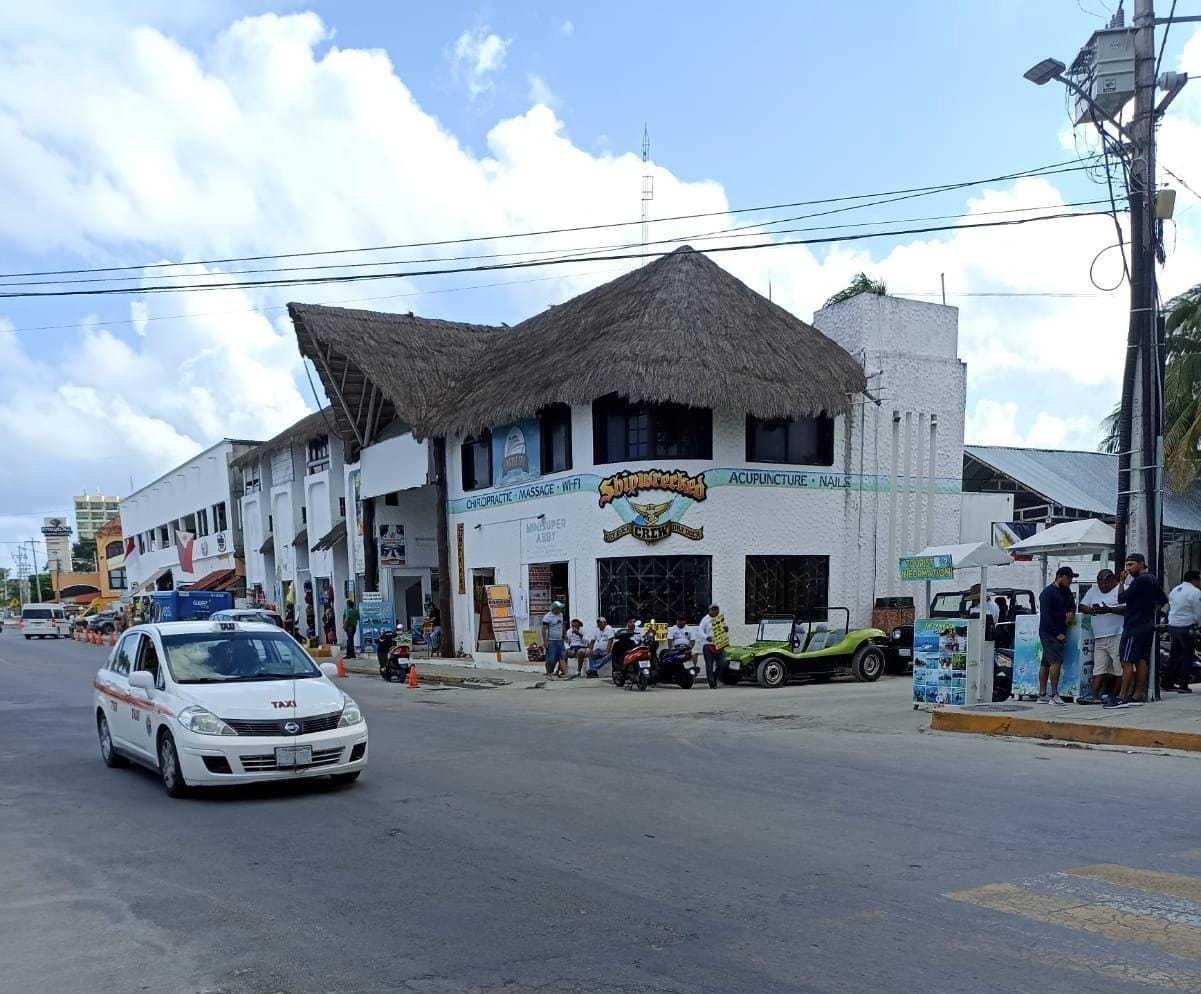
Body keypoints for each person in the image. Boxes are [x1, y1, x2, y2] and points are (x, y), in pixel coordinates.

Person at [1111, 553, 1168, 708]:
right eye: (1126, 565)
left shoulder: (1140, 580)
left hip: (1134, 626)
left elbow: (1121, 598)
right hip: (1147, 625)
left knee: (1126, 660)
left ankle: (1122, 697)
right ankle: (1137, 695)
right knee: (1141, 660)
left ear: (1141, 564)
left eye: (1131, 565)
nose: (1127, 569)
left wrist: (1121, 582)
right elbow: (1163, 601)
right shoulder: (1152, 579)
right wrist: (1148, 612)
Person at [1078, 569, 1124, 705]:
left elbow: (1127, 609)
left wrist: (1109, 609)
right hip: (1099, 635)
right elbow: (1081, 605)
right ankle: (1093, 694)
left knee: (1118, 667)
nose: (1103, 586)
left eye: (1106, 583)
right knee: (1099, 666)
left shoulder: (1121, 589)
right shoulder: (1093, 590)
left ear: (1113, 581)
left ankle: (1115, 695)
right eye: (1100, 584)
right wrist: (1091, 610)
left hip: (1117, 633)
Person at [1037, 567, 1077, 706]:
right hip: (1049, 633)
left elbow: (1072, 605)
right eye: (1068, 578)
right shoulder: (1047, 593)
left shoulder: (1067, 592)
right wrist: (1057, 633)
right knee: (1056, 662)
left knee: (1046, 662)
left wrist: (1071, 612)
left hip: (1061, 630)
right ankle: (1054, 694)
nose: (1070, 581)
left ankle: (1042, 694)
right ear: (1060, 577)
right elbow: (1045, 616)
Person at [1165, 569, 1201, 693]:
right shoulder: (1195, 592)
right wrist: (1198, 624)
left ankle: (1167, 681)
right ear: (1195, 580)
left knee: (1174, 654)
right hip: (1187, 626)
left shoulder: (1175, 590)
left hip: (1173, 625)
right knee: (1187, 656)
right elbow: (1198, 612)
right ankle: (1183, 684)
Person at [698, 604, 729, 689]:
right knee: (709, 665)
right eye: (713, 609)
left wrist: (725, 629)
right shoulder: (705, 619)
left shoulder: (720, 619)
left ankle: (715, 678)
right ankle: (712, 683)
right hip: (708, 646)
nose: (715, 611)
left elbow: (722, 631)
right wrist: (706, 637)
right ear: (709, 610)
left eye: (716, 609)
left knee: (723, 664)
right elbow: (699, 630)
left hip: (719, 645)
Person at [541, 601, 566, 678]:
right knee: (551, 658)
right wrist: (545, 641)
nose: (561, 610)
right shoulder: (547, 617)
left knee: (562, 656)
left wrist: (564, 634)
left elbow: (562, 624)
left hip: (560, 640)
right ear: (555, 609)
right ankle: (548, 673)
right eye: (559, 608)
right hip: (551, 640)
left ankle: (564, 672)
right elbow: (544, 629)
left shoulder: (560, 615)